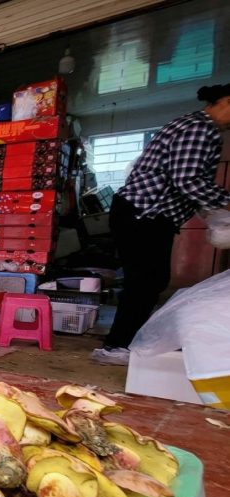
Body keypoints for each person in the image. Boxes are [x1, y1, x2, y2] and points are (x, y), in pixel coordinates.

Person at [92, 84, 230, 365]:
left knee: (148, 280)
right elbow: (188, 180)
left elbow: (187, 182)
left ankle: (123, 342)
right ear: (226, 101)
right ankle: (117, 345)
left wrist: (213, 212)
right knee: (145, 281)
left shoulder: (195, 126)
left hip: (144, 213)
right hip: (144, 213)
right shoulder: (199, 129)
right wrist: (226, 202)